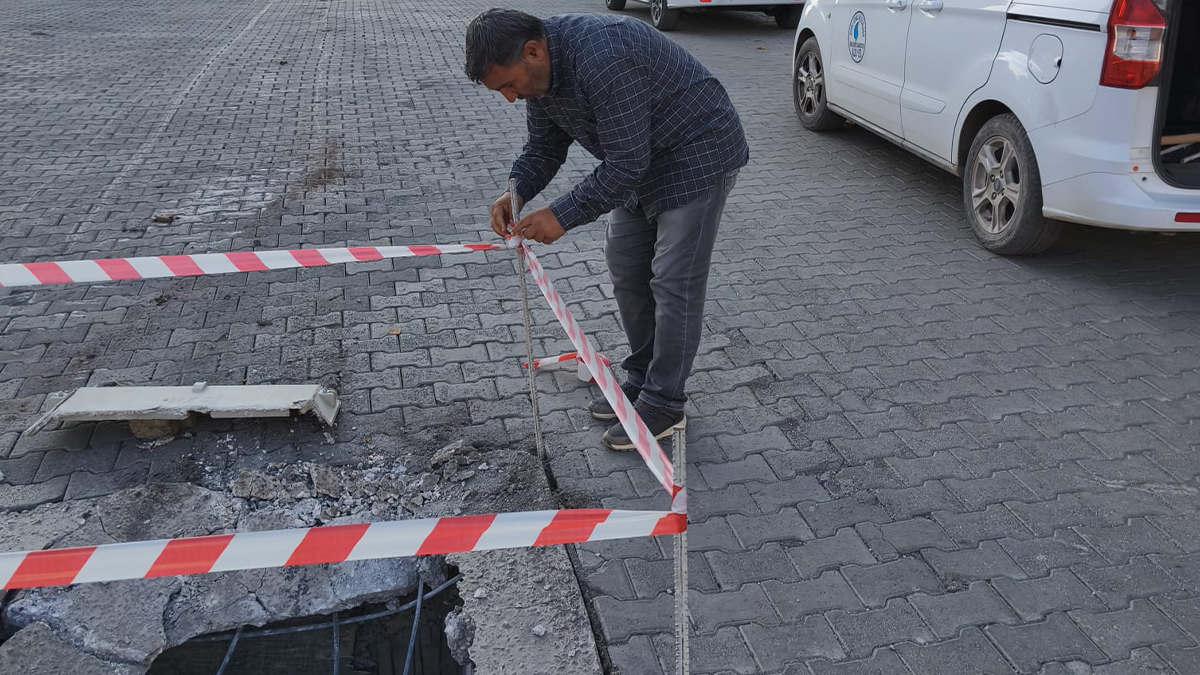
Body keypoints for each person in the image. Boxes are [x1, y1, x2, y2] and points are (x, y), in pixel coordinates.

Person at [464, 8, 748, 451]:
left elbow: (626, 164)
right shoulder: (541, 79)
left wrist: (561, 215)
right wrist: (515, 191)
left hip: (697, 152)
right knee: (626, 265)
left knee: (674, 281)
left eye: (507, 84)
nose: (509, 98)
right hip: (640, 161)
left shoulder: (603, 54)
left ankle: (665, 403)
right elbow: (544, 148)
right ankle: (641, 382)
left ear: (533, 52)